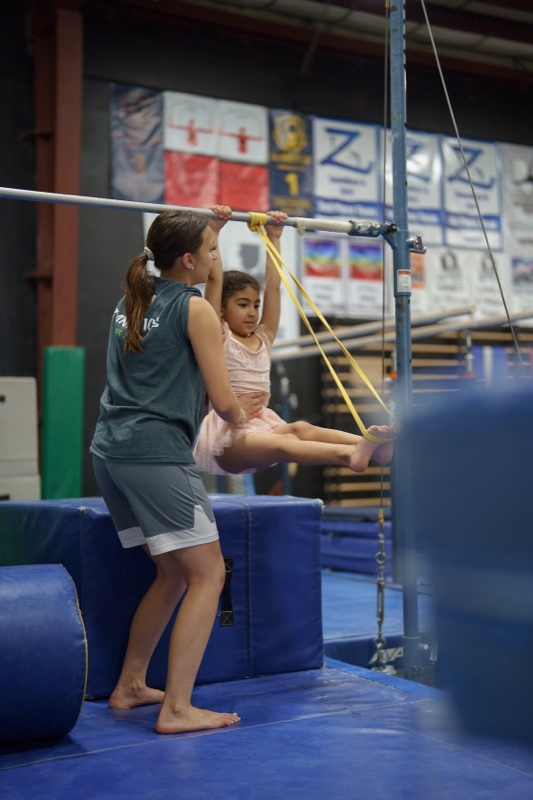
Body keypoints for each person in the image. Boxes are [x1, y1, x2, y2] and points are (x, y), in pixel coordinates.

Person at [90, 208, 265, 735]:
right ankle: (177, 708)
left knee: (171, 573)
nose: (218, 261)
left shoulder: (133, 300)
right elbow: (221, 399)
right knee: (208, 574)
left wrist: (216, 230)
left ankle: (130, 685)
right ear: (189, 260)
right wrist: (246, 410)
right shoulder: (195, 310)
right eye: (211, 252)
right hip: (155, 454)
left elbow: (203, 291)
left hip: (110, 452)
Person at [193, 208, 398, 478]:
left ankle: (376, 448)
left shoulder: (263, 338)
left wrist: (274, 237)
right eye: (242, 305)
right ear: (219, 310)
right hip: (228, 437)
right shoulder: (220, 336)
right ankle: (350, 455)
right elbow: (214, 279)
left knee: (301, 428)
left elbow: (274, 287)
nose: (253, 312)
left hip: (262, 426)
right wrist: (214, 231)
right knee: (287, 444)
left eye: (255, 305)